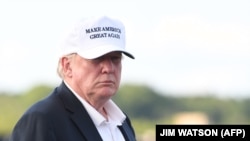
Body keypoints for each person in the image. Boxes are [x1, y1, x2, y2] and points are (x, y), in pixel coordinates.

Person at [9, 16, 136, 141]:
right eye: (97, 58)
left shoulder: (122, 122)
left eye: (115, 58)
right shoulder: (42, 120)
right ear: (67, 66)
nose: (108, 68)